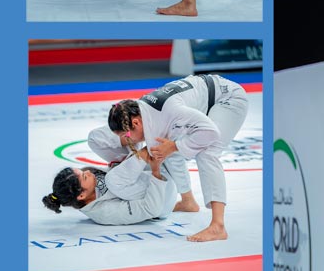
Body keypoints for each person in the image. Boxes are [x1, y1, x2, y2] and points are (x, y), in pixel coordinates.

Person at [107, 73, 250, 242]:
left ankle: (218, 226)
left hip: (228, 98)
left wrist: (175, 146)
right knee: (165, 148)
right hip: (205, 98)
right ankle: (188, 201)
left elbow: (211, 132)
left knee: (207, 152)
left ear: (136, 123)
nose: (128, 141)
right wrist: (171, 147)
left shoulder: (168, 111)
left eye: (126, 136)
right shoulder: (144, 111)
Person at [41, 146, 177, 225]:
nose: (88, 172)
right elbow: (152, 208)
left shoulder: (90, 180)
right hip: (163, 197)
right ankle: (149, 147)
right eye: (84, 176)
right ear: (81, 195)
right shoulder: (104, 213)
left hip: (155, 175)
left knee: (95, 138)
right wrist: (155, 171)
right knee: (113, 180)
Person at [88, 125, 201, 212]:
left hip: (160, 189)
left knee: (165, 146)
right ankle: (187, 199)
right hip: (151, 186)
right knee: (95, 137)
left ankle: (188, 199)